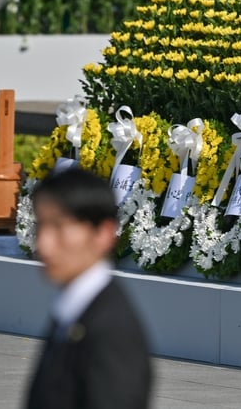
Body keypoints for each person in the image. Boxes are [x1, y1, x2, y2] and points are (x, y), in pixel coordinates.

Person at [25, 168, 152, 409]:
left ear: (103, 233)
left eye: (59, 227)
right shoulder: (74, 310)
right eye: (40, 226)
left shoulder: (111, 331)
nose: (43, 244)